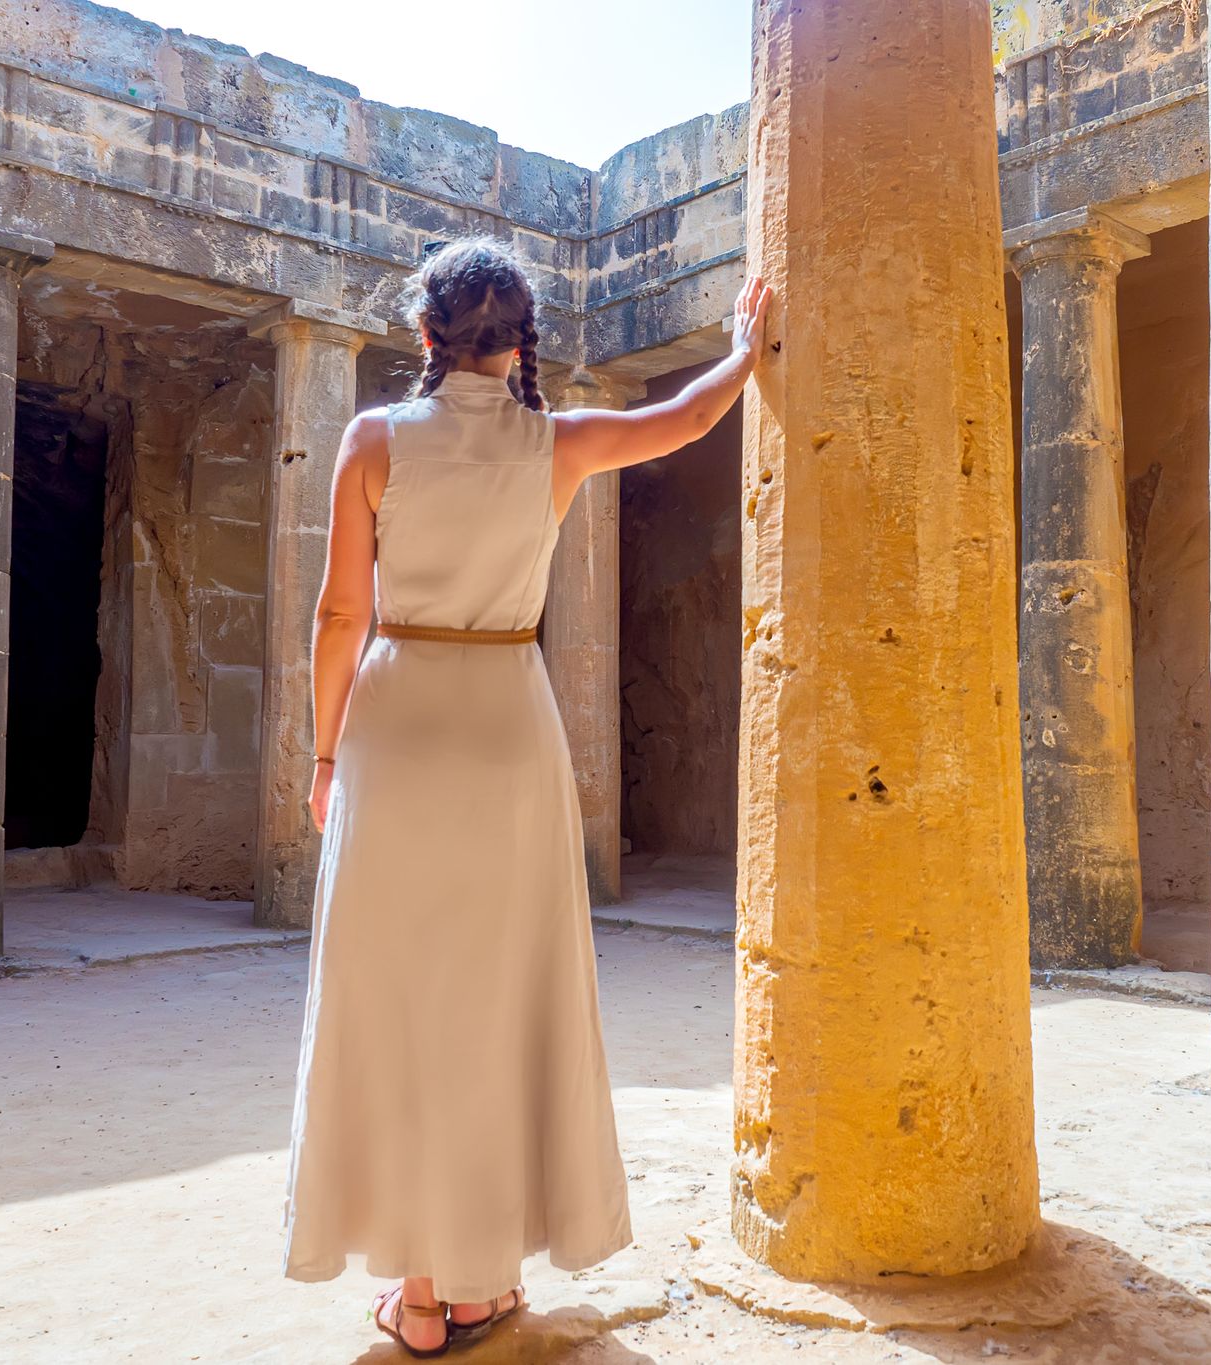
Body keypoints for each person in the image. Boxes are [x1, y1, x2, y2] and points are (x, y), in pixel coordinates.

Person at [281, 237, 772, 1356]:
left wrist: (321, 758)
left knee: (398, 1002)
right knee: (497, 1002)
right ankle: (480, 1281)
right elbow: (686, 421)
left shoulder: (370, 441)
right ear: (521, 341)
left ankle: (418, 1294)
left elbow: (336, 621)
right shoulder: (556, 444)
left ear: (423, 335)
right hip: (508, 720)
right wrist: (744, 352)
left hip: (395, 728)